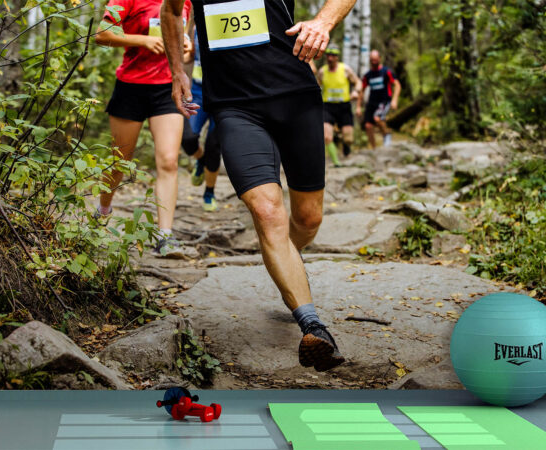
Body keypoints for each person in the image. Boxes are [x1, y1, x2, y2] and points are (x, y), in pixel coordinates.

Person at [160, 0, 356, 372]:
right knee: (268, 213)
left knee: (309, 219)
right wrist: (177, 71)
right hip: (235, 107)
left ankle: (286, 262)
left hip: (296, 96)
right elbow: (170, 11)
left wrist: (323, 22)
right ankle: (312, 326)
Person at [94, 0, 198, 258]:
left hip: (167, 88)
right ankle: (102, 211)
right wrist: (143, 41)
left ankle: (165, 237)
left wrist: (187, 48)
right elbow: (102, 35)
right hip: (131, 86)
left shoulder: (184, 2)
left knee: (169, 160)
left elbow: (185, 50)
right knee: (120, 160)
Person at [181, 28, 222, 212]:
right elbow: (191, 57)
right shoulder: (198, 27)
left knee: (214, 145)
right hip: (198, 93)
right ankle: (201, 158)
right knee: (188, 139)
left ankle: (209, 193)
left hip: (224, 96)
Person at [317, 46, 361, 166]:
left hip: (344, 107)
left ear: (337, 57)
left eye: (333, 55)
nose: (330, 58)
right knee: (326, 136)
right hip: (328, 107)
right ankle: (337, 162)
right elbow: (316, 87)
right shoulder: (322, 72)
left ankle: (344, 143)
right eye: (328, 55)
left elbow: (358, 82)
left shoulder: (345, 69)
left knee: (348, 139)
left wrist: (356, 91)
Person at [356, 50, 401, 149]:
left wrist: (394, 100)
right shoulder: (368, 75)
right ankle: (374, 149)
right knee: (368, 126)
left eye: (375, 60)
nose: (374, 62)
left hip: (384, 100)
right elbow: (362, 91)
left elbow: (397, 85)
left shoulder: (386, 71)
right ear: (370, 61)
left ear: (379, 59)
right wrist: (358, 106)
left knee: (378, 118)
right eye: (372, 60)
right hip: (372, 102)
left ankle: (387, 135)